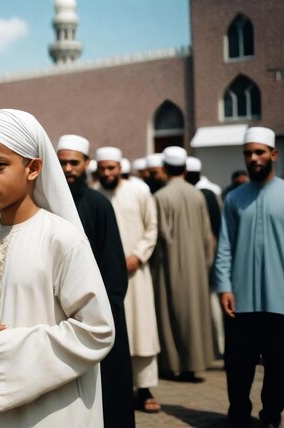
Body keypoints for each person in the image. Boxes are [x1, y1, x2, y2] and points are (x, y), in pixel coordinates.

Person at [0, 109, 114, 427]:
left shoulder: (62, 239)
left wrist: (8, 350)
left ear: (33, 168)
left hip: (49, 411)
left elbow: (96, 331)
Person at [57, 135, 135, 427]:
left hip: (99, 311)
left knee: (109, 390)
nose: (67, 168)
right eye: (62, 162)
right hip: (60, 314)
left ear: (86, 164)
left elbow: (113, 265)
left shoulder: (99, 204)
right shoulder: (48, 204)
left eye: (73, 162)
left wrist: (107, 310)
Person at [215, 127, 284, 428]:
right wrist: (224, 286)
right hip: (240, 300)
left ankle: (271, 416)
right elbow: (224, 245)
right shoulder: (234, 199)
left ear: (273, 154)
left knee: (279, 366)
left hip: (280, 299)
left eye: (259, 152)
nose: (253, 158)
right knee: (238, 366)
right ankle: (239, 415)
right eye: (248, 153)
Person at [96, 147, 161, 414]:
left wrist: (138, 255)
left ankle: (145, 389)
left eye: (112, 168)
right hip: (105, 278)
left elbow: (152, 227)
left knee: (141, 330)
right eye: (103, 169)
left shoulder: (139, 191)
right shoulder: (96, 196)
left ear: (120, 167)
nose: (108, 173)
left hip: (136, 272)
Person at [152, 146, 215, 382]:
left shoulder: (161, 197)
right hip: (197, 265)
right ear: (186, 168)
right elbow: (207, 234)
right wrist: (205, 262)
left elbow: (162, 236)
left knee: (172, 315)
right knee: (195, 313)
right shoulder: (198, 194)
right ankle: (193, 365)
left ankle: (175, 364)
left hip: (170, 266)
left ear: (165, 168)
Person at [186, 156, 224, 357]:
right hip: (213, 255)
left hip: (204, 258)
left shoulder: (201, 194)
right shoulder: (211, 192)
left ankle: (217, 346)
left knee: (210, 301)